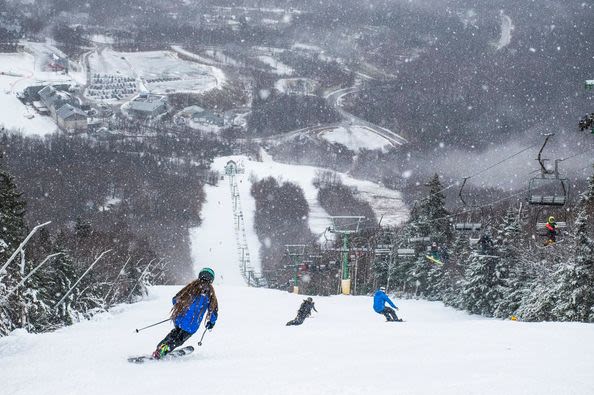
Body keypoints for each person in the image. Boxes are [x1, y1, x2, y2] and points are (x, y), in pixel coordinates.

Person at [152, 267, 218, 359]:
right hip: (192, 325)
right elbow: (213, 311)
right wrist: (211, 323)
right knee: (179, 339)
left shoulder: (191, 288)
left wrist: (182, 308)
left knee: (173, 334)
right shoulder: (210, 294)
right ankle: (163, 350)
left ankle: (160, 347)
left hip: (180, 319)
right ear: (211, 280)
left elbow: (175, 299)